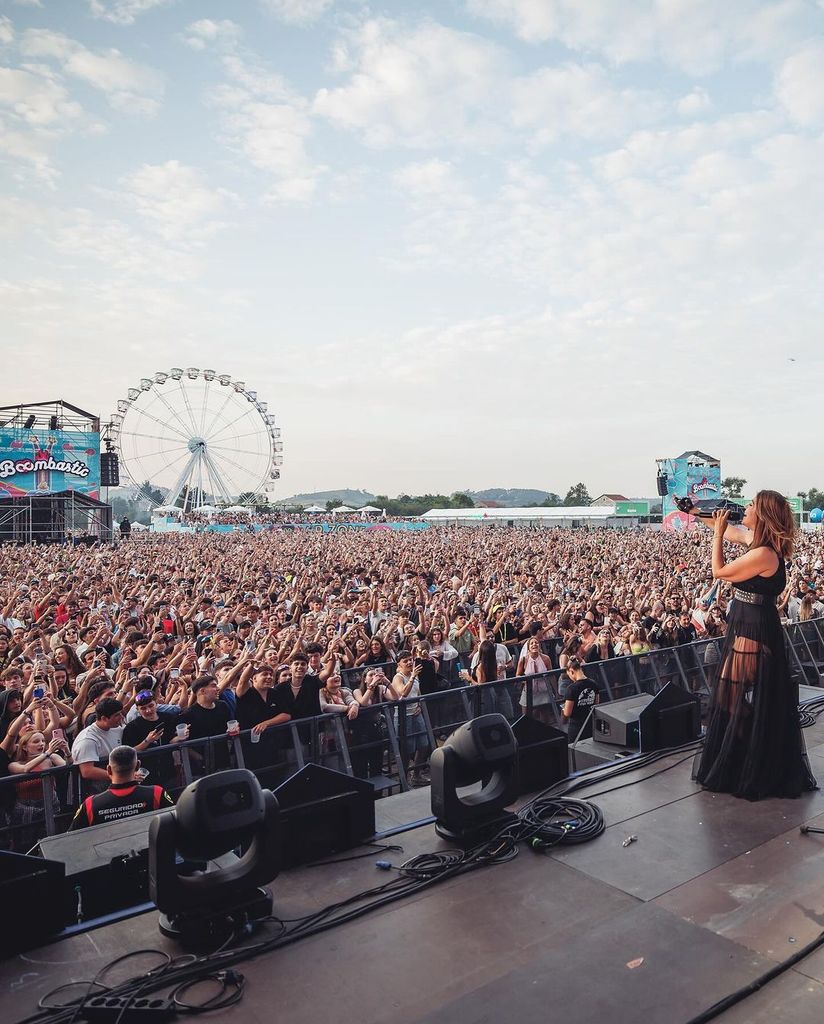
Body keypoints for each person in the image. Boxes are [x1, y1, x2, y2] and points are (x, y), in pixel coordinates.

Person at [694, 492, 817, 800]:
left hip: (752, 628)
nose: (745, 508)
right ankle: (758, 746)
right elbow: (733, 530)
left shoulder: (764, 554)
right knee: (733, 694)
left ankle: (757, 748)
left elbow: (719, 572)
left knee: (730, 693)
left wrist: (718, 536)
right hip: (749, 622)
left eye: (750, 505)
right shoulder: (759, 544)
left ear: (761, 515)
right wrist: (696, 512)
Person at [68, 745, 173, 829]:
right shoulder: (157, 793)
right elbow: (177, 824)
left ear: (108, 770)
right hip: (152, 854)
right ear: (137, 766)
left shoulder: (90, 804)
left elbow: (72, 837)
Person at [70, 697, 125, 794]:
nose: (121, 717)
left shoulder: (117, 728)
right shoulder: (87, 740)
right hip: (96, 791)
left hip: (116, 784)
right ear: (104, 718)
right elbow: (87, 771)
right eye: (117, 715)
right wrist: (119, 776)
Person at [561, 658, 599, 741]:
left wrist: (563, 709)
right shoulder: (593, 684)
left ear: (571, 671)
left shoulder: (571, 689)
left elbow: (567, 713)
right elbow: (596, 704)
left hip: (576, 727)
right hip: (590, 724)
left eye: (569, 675)